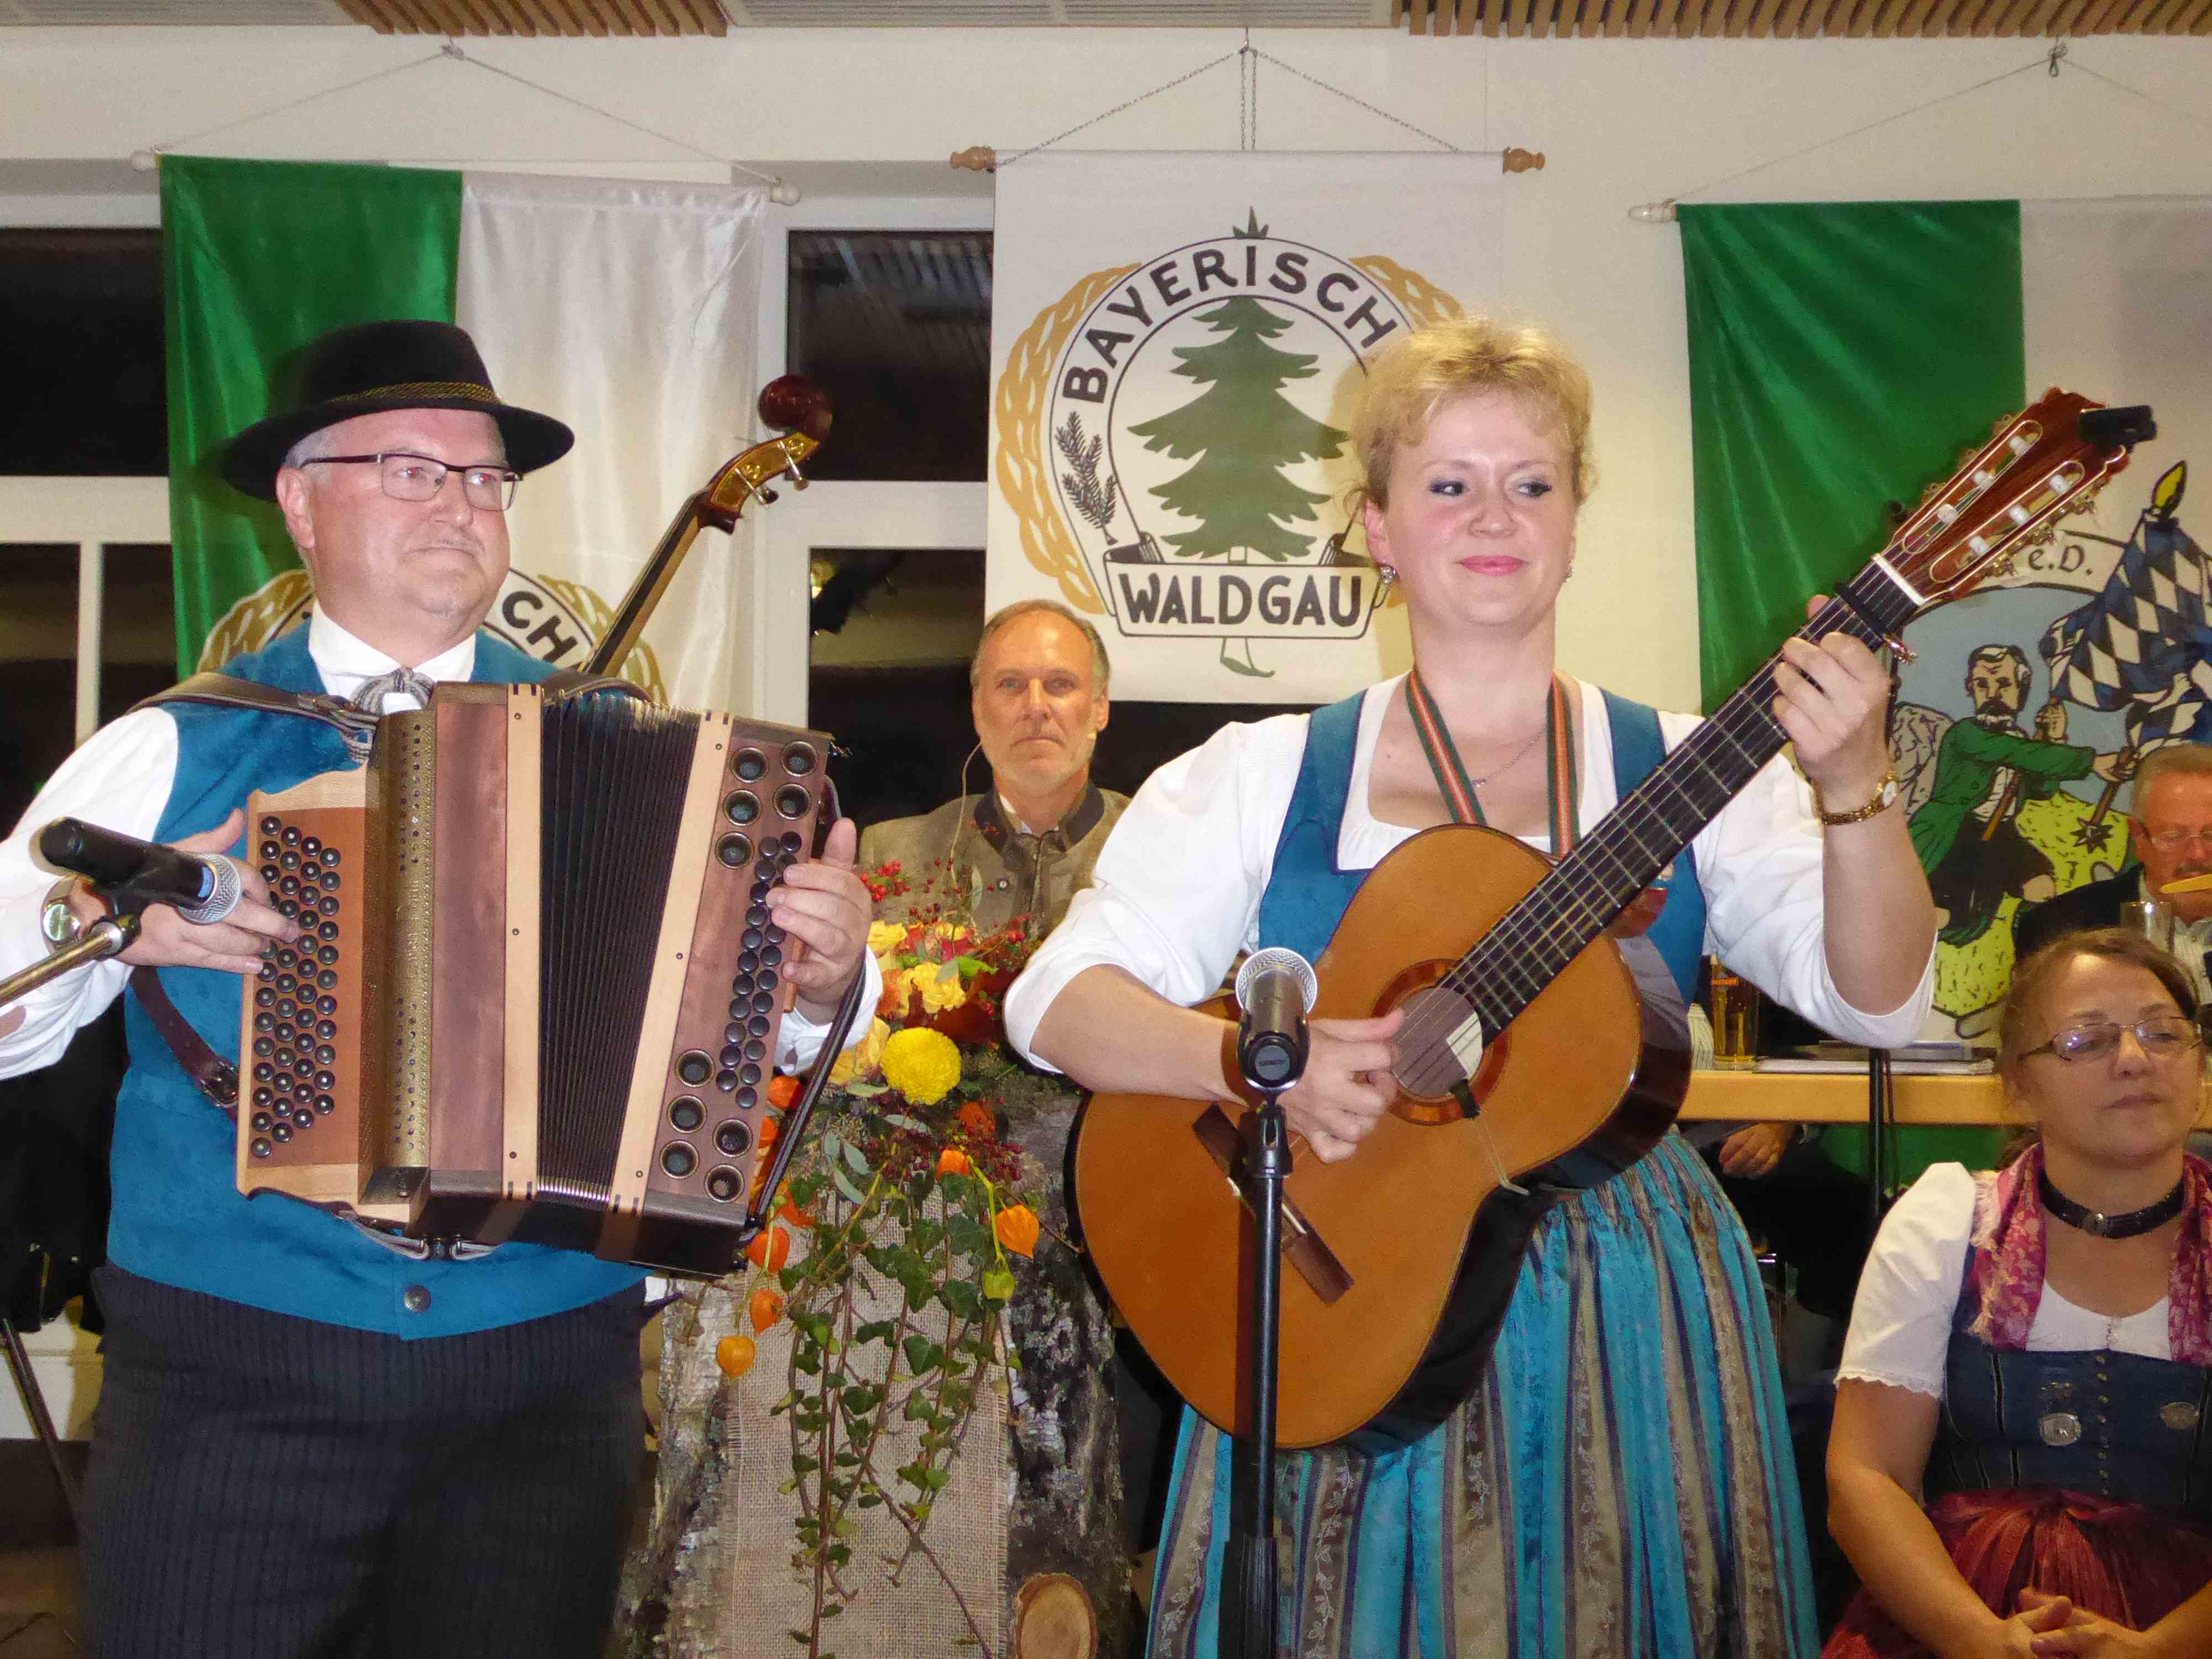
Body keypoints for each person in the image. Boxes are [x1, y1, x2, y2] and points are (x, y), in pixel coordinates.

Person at [1005, 315, 1938, 1656]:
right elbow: (1055, 1001)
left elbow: (1878, 999)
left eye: (1530, 482)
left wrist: (1853, 785)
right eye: (1447, 483)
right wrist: (1255, 1065)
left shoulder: (1685, 765)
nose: (1493, 515)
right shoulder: (1259, 774)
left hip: (1621, 1304)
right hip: (1332, 1297)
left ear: (1572, 522)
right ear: (1377, 526)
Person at [0, 320, 875, 1658]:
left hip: (544, 1384)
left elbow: (780, 1038)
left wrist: (823, 973)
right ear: (301, 499)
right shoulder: (171, 746)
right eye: (413, 470)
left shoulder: (625, 744)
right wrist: (108, 926)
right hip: (240, 1372)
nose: (461, 504)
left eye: (484, 479)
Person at [1824, 929, 2212, 1658]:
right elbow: (1867, 1477)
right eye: (2085, 1041)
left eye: (2163, 1033)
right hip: (1958, 1618)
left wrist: (2160, 1650)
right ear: (2019, 1084)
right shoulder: (1946, 1224)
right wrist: (1980, 1641)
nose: (2134, 1059)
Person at [858, 597, 1128, 934]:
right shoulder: (896, 855)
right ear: (977, 708)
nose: (1035, 707)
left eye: (1060, 684)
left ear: (1100, 706)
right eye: (1011, 684)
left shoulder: (1161, 850)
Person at [1910, 645, 2124, 948]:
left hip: (2002, 834)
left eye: (2004, 684)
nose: (1992, 694)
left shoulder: (2022, 740)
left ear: (2021, 690)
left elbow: (2041, 789)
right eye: (1982, 685)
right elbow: (2015, 754)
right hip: (1956, 832)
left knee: (2041, 885)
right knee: (1947, 913)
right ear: (1971, 689)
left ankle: (2032, 950)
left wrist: (2055, 739)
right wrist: (2092, 763)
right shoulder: (1966, 734)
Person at [2017, 744, 2212, 996]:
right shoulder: (2060, 929)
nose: (2198, 854)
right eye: (2173, 836)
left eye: (2211, 834)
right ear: (2139, 838)